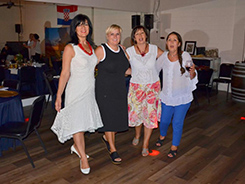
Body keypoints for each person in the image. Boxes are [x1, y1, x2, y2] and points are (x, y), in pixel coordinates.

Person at [51, 14, 103, 174]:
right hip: (75, 92)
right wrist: (59, 95)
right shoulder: (70, 48)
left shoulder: (92, 48)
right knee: (78, 126)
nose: (83, 28)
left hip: (89, 92)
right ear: (75, 28)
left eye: (86, 24)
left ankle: (76, 147)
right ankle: (84, 158)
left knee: (84, 123)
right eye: (80, 25)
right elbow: (65, 73)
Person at [155, 31, 198, 158]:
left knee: (177, 123)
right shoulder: (163, 57)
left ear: (179, 44)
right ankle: (162, 135)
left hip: (182, 97)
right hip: (167, 96)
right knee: (164, 121)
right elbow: (154, 71)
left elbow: (192, 74)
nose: (172, 42)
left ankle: (174, 146)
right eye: (169, 40)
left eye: (174, 40)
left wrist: (192, 72)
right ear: (167, 43)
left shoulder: (185, 56)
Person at [95, 24, 130, 165]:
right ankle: (112, 149)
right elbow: (89, 67)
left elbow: (125, 70)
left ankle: (107, 137)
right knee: (109, 119)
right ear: (107, 36)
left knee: (116, 117)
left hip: (119, 89)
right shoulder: (101, 49)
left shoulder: (122, 49)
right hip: (105, 90)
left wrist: (144, 74)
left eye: (117, 34)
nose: (115, 37)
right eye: (112, 34)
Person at [126, 25, 164, 156]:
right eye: (137, 34)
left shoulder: (154, 49)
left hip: (152, 87)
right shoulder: (129, 51)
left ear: (146, 35)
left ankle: (145, 144)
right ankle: (137, 135)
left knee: (149, 116)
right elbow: (119, 66)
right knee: (137, 115)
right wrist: (130, 72)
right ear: (134, 38)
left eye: (142, 33)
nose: (140, 36)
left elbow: (167, 61)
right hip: (136, 87)